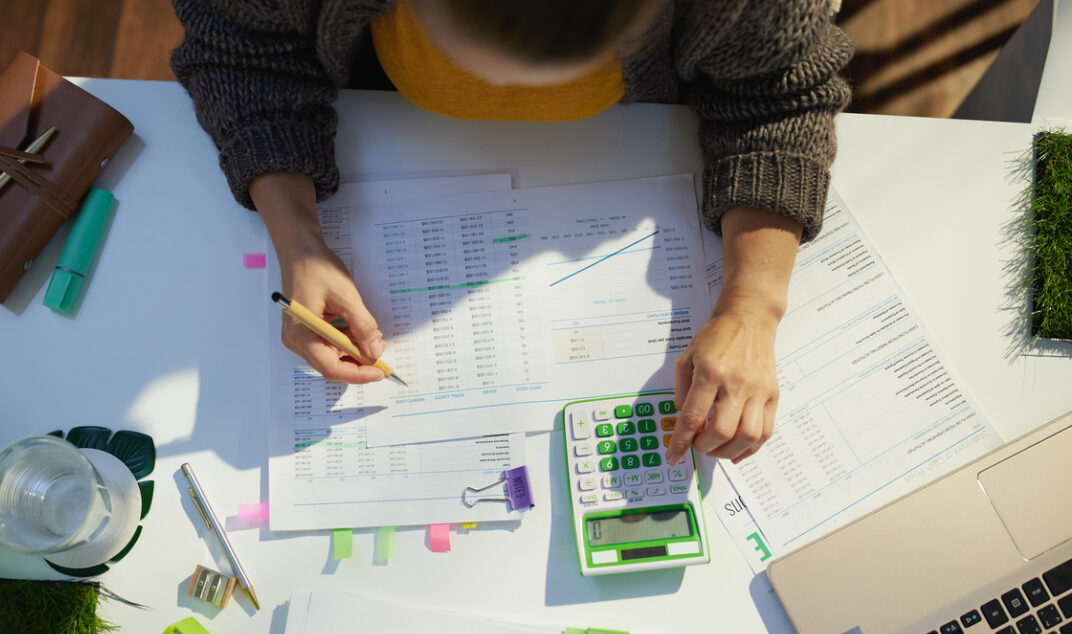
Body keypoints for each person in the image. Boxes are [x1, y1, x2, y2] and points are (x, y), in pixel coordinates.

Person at [171, 0, 852, 463]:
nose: (495, 85)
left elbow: (775, 98)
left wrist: (754, 305)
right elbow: (244, 52)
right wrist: (297, 236)